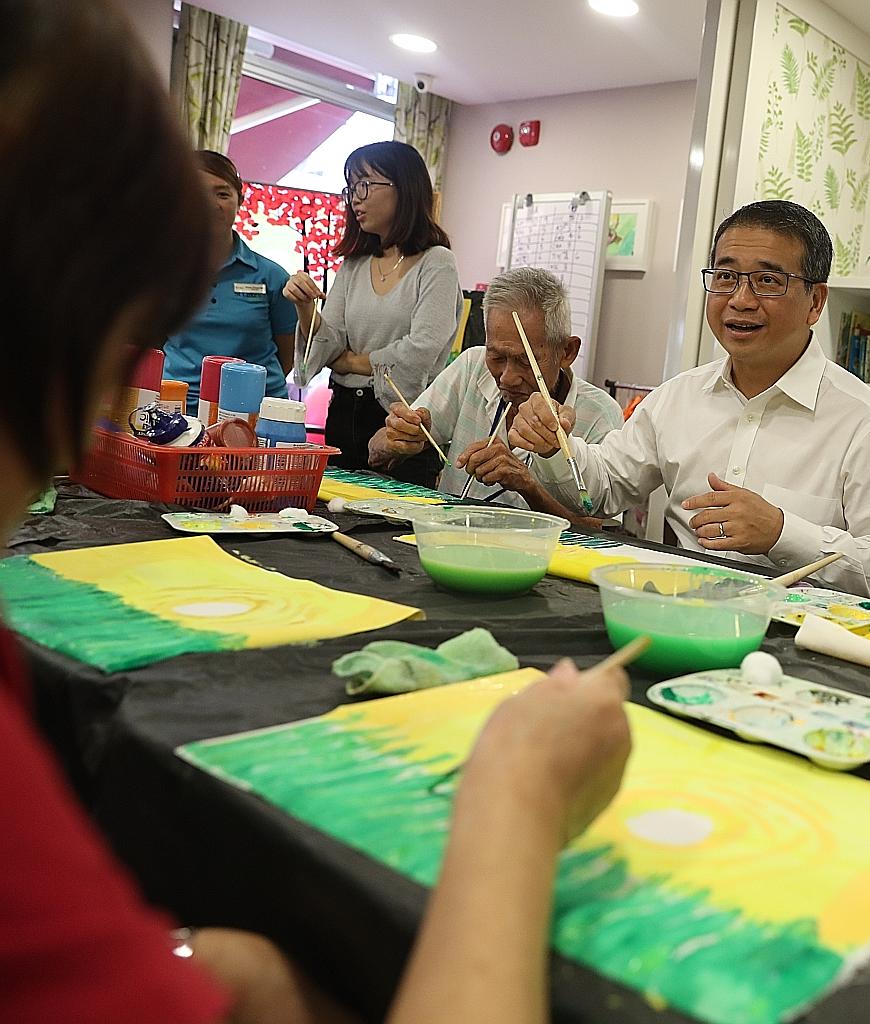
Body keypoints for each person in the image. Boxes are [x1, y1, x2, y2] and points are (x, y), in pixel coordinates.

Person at [0, 4, 632, 1021]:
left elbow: (605, 511)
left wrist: (538, 474)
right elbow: (373, 389)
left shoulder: (586, 409)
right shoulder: (458, 361)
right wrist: (515, 791)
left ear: (563, 353)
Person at [506, 201, 870, 604]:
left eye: (768, 281)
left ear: (815, 302)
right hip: (679, 613)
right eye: (725, 277)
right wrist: (554, 445)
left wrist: (781, 532)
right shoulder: (678, 396)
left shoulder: (867, 423)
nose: (740, 299)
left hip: (798, 644)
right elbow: (601, 490)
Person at [368, 267, 623, 516]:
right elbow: (376, 451)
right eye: (496, 356)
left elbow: (595, 531)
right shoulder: (472, 367)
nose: (508, 378)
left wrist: (528, 486)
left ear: (567, 351)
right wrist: (397, 439)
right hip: (450, 540)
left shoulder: (599, 413)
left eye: (526, 362)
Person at [283, 141, 460, 488]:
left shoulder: (436, 262)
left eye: (364, 185)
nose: (355, 199)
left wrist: (349, 363)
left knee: (392, 530)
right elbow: (328, 341)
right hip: (343, 413)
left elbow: (422, 349)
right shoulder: (354, 264)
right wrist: (305, 308)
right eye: (350, 188)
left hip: (398, 422)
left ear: (404, 187)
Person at [163, 151, 298, 408]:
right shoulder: (162, 273)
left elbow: (287, 355)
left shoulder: (272, 276)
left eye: (223, 194)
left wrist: (248, 385)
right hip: (179, 410)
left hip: (256, 411)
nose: (213, 204)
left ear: (240, 201)